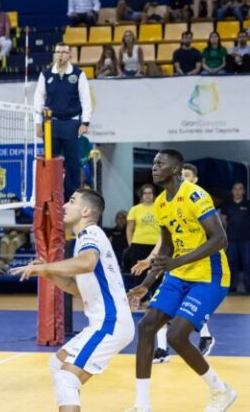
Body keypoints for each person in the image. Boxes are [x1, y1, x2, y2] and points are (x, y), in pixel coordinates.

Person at [125, 149, 236, 412]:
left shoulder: (196, 196)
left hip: (210, 276)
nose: (153, 167)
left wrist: (176, 262)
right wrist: (147, 283)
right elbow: (166, 249)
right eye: (153, 163)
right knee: (147, 327)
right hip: (179, 273)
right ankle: (142, 406)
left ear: (175, 169)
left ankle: (220, 391)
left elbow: (220, 239)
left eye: (159, 163)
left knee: (176, 336)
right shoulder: (162, 203)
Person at [12, 189, 134, 412]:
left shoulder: (90, 234)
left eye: (72, 201)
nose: (65, 206)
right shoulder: (85, 239)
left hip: (110, 323)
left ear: (86, 210)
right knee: (58, 364)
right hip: (103, 323)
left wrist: (46, 266)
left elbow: (87, 263)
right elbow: (76, 289)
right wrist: (47, 273)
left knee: (66, 379)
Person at [131, 163, 217, 362]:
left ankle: (204, 335)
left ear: (194, 179)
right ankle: (162, 349)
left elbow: (215, 238)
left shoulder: (199, 200)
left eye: (187, 176)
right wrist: (150, 259)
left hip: (199, 265)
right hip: (175, 265)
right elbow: (165, 241)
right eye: (182, 175)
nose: (183, 179)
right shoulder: (166, 204)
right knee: (159, 307)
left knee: (181, 309)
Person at [33, 43, 92, 201]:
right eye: (58, 52)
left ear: (70, 55)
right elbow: (38, 100)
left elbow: (86, 99)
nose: (60, 55)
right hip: (50, 123)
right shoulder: (45, 75)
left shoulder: (78, 74)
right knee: (50, 160)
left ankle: (71, 196)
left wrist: (85, 122)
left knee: (73, 162)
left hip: (72, 123)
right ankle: (50, 195)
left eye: (64, 52)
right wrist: (38, 123)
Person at [124, 185, 158, 284]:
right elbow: (129, 229)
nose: (147, 195)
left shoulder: (159, 207)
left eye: (150, 193)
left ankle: (153, 297)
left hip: (156, 245)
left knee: (155, 273)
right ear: (141, 195)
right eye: (145, 193)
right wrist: (131, 245)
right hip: (138, 244)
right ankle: (139, 298)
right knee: (138, 273)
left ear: (153, 195)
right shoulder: (135, 209)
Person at [221, 182, 250, 294]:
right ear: (232, 191)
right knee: (231, 263)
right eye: (235, 189)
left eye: (240, 189)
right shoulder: (227, 204)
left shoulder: (248, 204)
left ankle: (248, 288)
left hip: (246, 239)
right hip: (231, 239)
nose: (237, 191)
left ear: (243, 191)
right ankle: (232, 288)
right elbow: (223, 219)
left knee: (247, 263)